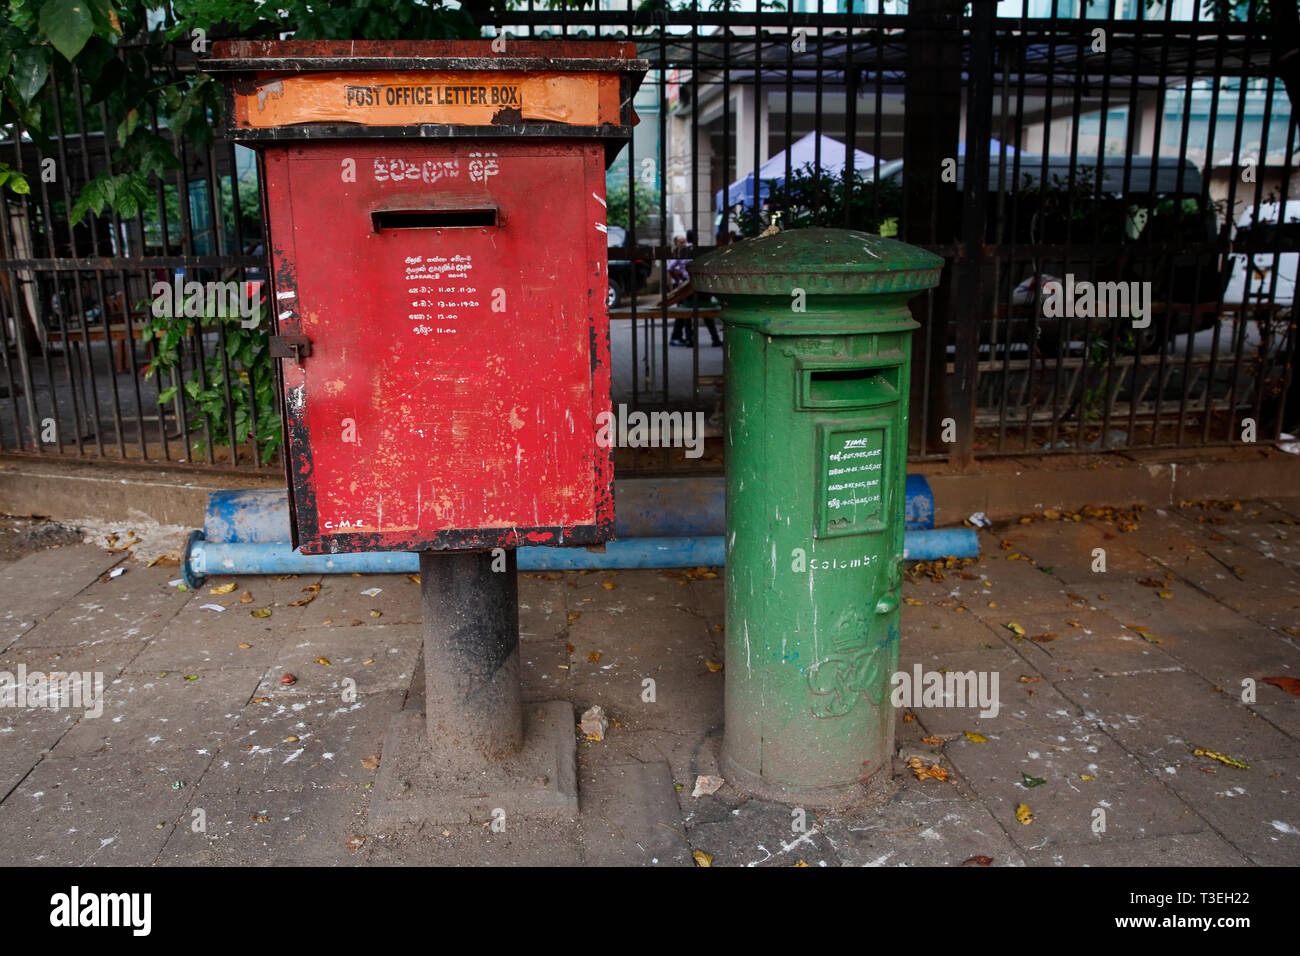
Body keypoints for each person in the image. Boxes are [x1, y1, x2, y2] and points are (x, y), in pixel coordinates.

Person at [670, 230, 722, 348]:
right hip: (699, 285)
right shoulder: (701, 251)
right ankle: (715, 339)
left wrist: (679, 280)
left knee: (687, 312)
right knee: (706, 311)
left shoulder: (683, 250)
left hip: (686, 285)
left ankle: (689, 339)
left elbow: (670, 267)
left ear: (687, 239)